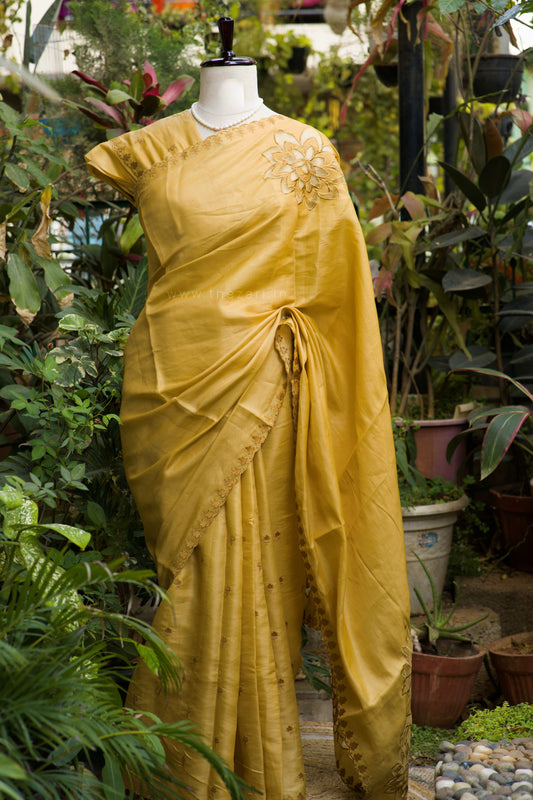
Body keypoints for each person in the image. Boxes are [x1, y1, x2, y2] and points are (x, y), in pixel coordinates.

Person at [85, 18, 412, 800]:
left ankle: (247, 764)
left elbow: (333, 297)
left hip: (262, 385)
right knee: (190, 567)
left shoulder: (304, 152)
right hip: (170, 387)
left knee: (245, 566)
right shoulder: (149, 150)